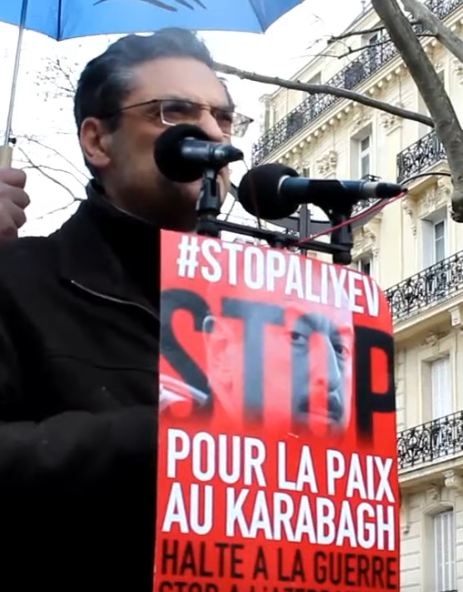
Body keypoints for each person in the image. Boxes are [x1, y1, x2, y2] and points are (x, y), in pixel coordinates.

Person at [0, 28, 246, 590]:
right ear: (97, 142)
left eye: (224, 118)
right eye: (173, 110)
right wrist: (167, 440)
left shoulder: (257, 311)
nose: (210, 131)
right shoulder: (16, 278)